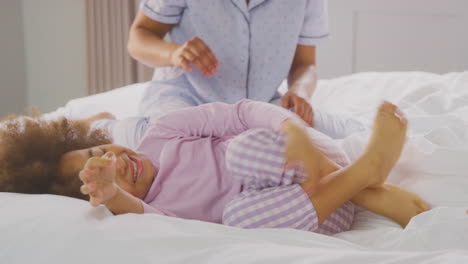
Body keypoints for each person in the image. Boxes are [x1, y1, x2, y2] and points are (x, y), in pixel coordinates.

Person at [0, 100, 428, 233]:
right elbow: (131, 210)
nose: (113, 160)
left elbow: (240, 113)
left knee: (239, 152)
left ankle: (361, 175)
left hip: (309, 159)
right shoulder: (159, 211)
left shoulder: (163, 134)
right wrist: (111, 193)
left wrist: (290, 128)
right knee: (236, 216)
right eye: (101, 170)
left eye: (102, 151)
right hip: (315, 213)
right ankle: (365, 177)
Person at [127, 0, 366, 139]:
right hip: (186, 98)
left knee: (344, 138)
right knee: (175, 151)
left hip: (259, 106)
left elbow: (305, 64)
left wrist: (300, 91)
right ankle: (99, 127)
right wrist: (174, 53)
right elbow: (139, 38)